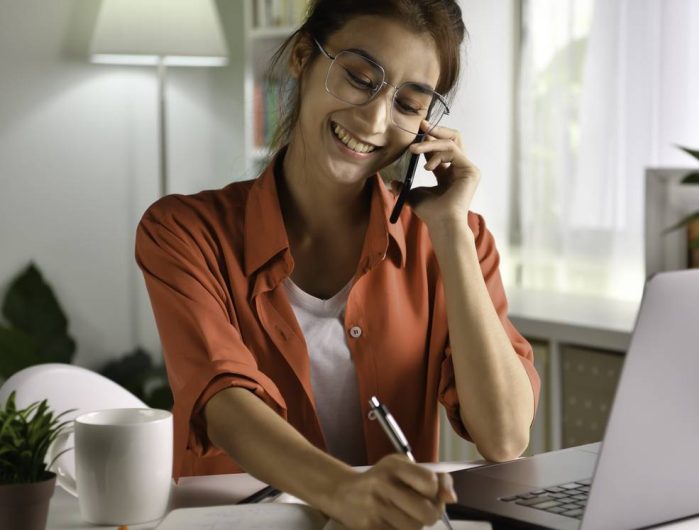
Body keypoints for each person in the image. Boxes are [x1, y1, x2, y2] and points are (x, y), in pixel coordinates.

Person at [135, 0, 540, 528]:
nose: (374, 120)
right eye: (358, 77)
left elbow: (505, 436)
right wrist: (345, 492)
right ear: (303, 57)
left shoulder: (454, 240)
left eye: (409, 104)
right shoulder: (183, 232)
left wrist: (450, 232)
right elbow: (225, 403)